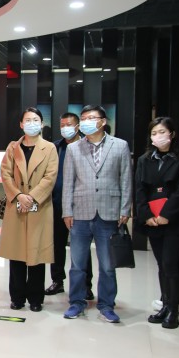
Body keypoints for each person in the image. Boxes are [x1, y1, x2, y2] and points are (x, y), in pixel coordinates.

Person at [62, 104, 132, 323]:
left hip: (109, 212)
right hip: (80, 213)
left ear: (102, 121)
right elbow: (68, 183)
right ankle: (76, 302)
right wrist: (67, 211)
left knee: (108, 266)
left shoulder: (120, 146)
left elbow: (125, 180)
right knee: (77, 264)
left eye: (91, 118)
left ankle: (107, 305)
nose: (86, 122)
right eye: (83, 118)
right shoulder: (74, 148)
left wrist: (125, 209)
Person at [0, 107, 58, 312]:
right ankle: (17, 297)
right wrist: (18, 196)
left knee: (36, 255)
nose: (32, 123)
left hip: (39, 206)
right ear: (21, 124)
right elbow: (5, 173)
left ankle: (36, 298)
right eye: (28, 120)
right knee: (16, 254)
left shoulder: (49, 148)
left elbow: (50, 177)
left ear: (41, 124)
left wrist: (31, 197)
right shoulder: (13, 147)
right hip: (16, 205)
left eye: (35, 120)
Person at [135, 117, 179, 329]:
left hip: (175, 221)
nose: (158, 136)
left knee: (171, 264)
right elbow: (140, 189)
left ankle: (173, 309)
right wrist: (147, 215)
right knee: (161, 265)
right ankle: (165, 304)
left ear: (172, 134)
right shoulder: (144, 160)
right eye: (154, 133)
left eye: (162, 132)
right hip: (153, 221)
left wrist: (166, 214)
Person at [46, 113, 94, 298]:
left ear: (78, 126)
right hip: (57, 204)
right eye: (62, 125)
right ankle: (57, 281)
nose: (65, 128)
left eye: (69, 124)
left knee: (81, 247)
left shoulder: (86, 146)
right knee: (56, 245)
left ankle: (86, 285)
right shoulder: (56, 147)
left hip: (80, 205)